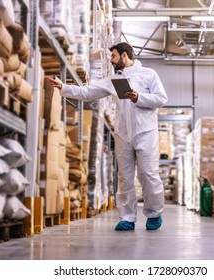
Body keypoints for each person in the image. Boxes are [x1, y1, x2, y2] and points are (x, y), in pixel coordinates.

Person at [50, 42, 168, 231]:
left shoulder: (149, 74)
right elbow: (88, 92)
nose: (111, 61)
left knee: (148, 174)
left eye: (113, 56)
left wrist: (139, 98)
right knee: (125, 177)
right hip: (123, 133)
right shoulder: (114, 80)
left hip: (145, 132)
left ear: (123, 55)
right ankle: (127, 218)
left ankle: (154, 214)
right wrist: (64, 87)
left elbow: (161, 99)